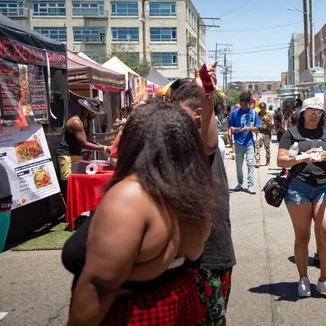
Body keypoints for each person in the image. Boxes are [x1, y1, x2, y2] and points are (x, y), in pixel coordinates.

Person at [62, 102, 216, 325]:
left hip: (134, 313)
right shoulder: (191, 192)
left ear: (135, 141)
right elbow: (192, 251)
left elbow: (98, 286)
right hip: (178, 303)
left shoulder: (132, 195)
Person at [171, 80, 236, 326]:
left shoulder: (201, 138)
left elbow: (207, 144)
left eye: (177, 111)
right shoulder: (181, 138)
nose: (171, 118)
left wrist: (205, 94)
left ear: (199, 114)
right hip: (197, 254)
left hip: (209, 254)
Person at [277, 97, 326, 300]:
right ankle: (303, 278)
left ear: (322, 114)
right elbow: (281, 161)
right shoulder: (291, 133)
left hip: (323, 186)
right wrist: (300, 158)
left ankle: (325, 280)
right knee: (302, 236)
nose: (314, 113)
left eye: (318, 110)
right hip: (298, 187)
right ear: (303, 113)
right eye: (310, 110)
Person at [57, 98, 112, 194]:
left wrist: (105, 148)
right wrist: (105, 148)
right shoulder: (76, 122)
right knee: (68, 184)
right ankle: (68, 207)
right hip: (66, 155)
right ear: (87, 110)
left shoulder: (88, 122)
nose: (95, 115)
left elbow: (89, 141)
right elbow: (84, 144)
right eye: (94, 112)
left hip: (76, 154)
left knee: (77, 183)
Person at [228, 91, 261, 193]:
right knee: (239, 164)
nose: (243, 106)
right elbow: (230, 126)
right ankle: (240, 183)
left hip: (249, 142)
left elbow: (258, 128)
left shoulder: (254, 113)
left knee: (250, 163)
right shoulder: (234, 113)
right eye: (241, 104)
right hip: (238, 142)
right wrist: (233, 130)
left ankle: (250, 185)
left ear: (249, 102)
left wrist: (249, 128)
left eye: (245, 105)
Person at [255, 102, 273, 167]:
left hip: (267, 133)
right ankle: (257, 161)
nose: (262, 108)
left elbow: (271, 124)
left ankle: (268, 160)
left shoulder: (268, 115)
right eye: (261, 107)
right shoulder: (257, 115)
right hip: (260, 132)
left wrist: (266, 121)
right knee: (257, 147)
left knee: (267, 147)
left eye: (264, 107)